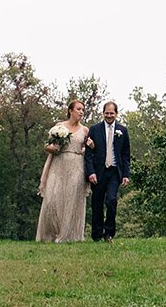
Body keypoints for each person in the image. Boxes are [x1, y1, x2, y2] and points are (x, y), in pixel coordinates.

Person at [35, 96, 91, 243]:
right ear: (70, 111)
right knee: (52, 199)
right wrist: (52, 148)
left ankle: (69, 235)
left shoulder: (85, 130)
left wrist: (90, 146)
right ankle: (50, 234)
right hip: (58, 164)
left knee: (72, 200)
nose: (81, 112)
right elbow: (47, 146)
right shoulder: (59, 127)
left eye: (83, 110)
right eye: (78, 109)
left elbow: (90, 151)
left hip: (77, 165)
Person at [86, 100, 134, 241]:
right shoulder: (94, 129)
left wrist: (126, 174)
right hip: (98, 172)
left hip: (114, 172)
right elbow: (88, 154)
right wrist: (91, 172)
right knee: (97, 203)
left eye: (111, 113)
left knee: (111, 200)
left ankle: (109, 233)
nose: (109, 116)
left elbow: (126, 154)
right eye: (106, 113)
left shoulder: (122, 131)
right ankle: (96, 235)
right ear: (103, 113)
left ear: (116, 114)